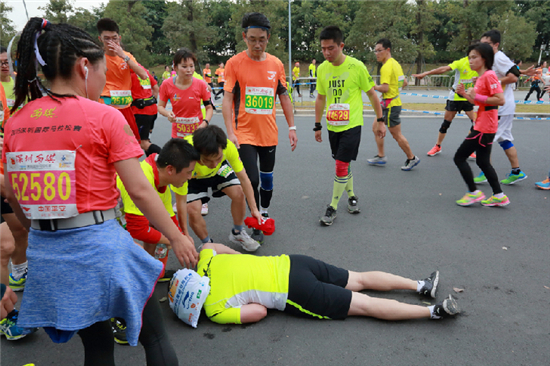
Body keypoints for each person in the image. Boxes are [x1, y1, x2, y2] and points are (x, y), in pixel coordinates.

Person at [3, 18, 198, 364]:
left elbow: (15, 197)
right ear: (82, 67)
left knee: (96, 345)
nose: (104, 80)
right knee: (154, 336)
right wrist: (178, 236)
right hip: (100, 250)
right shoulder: (103, 116)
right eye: (102, 71)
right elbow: (139, 189)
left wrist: (41, 234)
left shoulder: (16, 121)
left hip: (49, 258)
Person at [176, 242, 460, 325]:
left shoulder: (213, 309)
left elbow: (259, 312)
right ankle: (420, 284)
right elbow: (220, 247)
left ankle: (432, 312)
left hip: (295, 293)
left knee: (366, 306)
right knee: (357, 279)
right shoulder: (207, 260)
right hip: (293, 262)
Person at [113, 138, 199, 345]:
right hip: (105, 223)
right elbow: (138, 229)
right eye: (188, 173)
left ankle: (150, 277)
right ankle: (119, 318)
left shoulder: (162, 180)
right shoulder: (142, 177)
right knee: (125, 263)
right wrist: (174, 241)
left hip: (121, 222)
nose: (190, 177)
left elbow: (167, 222)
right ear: (170, 169)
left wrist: (182, 238)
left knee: (165, 238)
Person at [222, 12, 297, 244]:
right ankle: (255, 217)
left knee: (267, 179)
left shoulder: (276, 64)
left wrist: (292, 126)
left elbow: (284, 97)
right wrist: (230, 133)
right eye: (252, 38)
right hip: (243, 133)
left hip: (269, 134)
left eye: (261, 39)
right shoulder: (234, 63)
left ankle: (264, 211)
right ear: (244, 37)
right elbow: (226, 100)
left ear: (268, 37)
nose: (257, 44)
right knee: (251, 179)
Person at [314, 26, 384, 226]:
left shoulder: (356, 67)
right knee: (344, 164)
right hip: (332, 126)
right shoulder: (322, 69)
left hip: (352, 125)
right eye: (323, 49)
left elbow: (372, 94)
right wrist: (317, 125)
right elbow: (320, 97)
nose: (327, 53)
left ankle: (333, 206)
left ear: (341, 46)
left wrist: (380, 121)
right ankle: (352, 196)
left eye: (331, 48)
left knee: (340, 165)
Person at [172, 125, 263, 252]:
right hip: (193, 176)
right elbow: (180, 201)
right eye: (208, 160)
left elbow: (244, 179)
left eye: (218, 158)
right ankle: (208, 244)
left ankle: (237, 232)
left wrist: (254, 209)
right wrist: (184, 234)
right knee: (192, 210)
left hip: (220, 171)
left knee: (238, 192)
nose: (213, 164)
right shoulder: (183, 156)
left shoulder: (228, 147)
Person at [454, 42, 508, 207]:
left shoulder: (489, 75)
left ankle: (473, 192)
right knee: (483, 162)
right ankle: (499, 195)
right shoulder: (481, 77)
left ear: (484, 59)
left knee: (459, 157)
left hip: (484, 126)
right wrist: (464, 94)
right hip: (485, 125)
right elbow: (478, 101)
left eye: (474, 57)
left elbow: (500, 99)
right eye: (469, 57)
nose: (470, 61)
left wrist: (478, 96)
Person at [476, 30, 527, 186]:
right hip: (502, 106)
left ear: (496, 45)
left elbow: (514, 75)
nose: (482, 47)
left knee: (484, 139)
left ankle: (485, 172)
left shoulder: (499, 57)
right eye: (481, 43)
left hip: (502, 107)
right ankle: (517, 172)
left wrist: (492, 82)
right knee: (505, 140)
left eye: (486, 44)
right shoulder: (493, 58)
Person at [367, 38, 420, 171]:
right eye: (375, 51)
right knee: (375, 127)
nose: (377, 53)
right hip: (388, 103)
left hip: (391, 105)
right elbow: (405, 83)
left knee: (396, 135)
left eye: (379, 50)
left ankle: (412, 158)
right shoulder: (396, 64)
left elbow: (384, 88)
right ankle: (381, 156)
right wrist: (394, 91)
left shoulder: (386, 67)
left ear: (388, 50)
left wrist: (373, 86)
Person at [412, 55, 477, 157]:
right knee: (445, 124)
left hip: (468, 98)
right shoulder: (461, 62)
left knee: (476, 123)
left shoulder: (480, 64)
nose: (473, 58)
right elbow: (444, 69)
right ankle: (437, 146)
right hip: (455, 97)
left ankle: (469, 148)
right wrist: (426, 73)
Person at [96, 18, 147, 144]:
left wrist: (123, 56)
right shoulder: (97, 58)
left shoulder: (127, 56)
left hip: (125, 105)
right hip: (105, 105)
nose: (111, 42)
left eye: (114, 38)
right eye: (106, 38)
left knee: (132, 144)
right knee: (108, 144)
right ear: (100, 39)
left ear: (119, 38)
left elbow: (144, 75)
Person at [158, 48, 213, 140]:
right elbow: (160, 106)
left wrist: (204, 123)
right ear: (175, 68)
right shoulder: (166, 84)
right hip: (178, 135)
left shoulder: (201, 84)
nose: (189, 70)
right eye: (184, 67)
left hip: (198, 134)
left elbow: (209, 107)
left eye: (191, 66)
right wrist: (167, 114)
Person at [130, 64, 162, 156]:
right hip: (152, 109)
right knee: (146, 139)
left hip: (141, 112)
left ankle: (165, 159)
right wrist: (152, 101)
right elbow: (156, 88)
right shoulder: (145, 71)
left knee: (142, 143)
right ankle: (153, 163)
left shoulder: (130, 73)